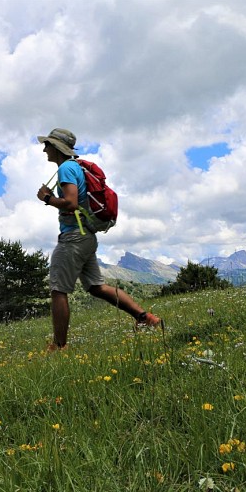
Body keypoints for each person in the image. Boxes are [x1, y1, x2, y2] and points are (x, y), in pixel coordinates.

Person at [36, 128, 163, 350]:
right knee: (96, 287)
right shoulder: (76, 167)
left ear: (56, 147)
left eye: (47, 144)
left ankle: (59, 346)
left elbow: (71, 203)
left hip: (74, 238)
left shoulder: (66, 169)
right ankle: (146, 318)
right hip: (86, 236)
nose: (44, 148)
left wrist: (47, 198)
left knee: (58, 290)